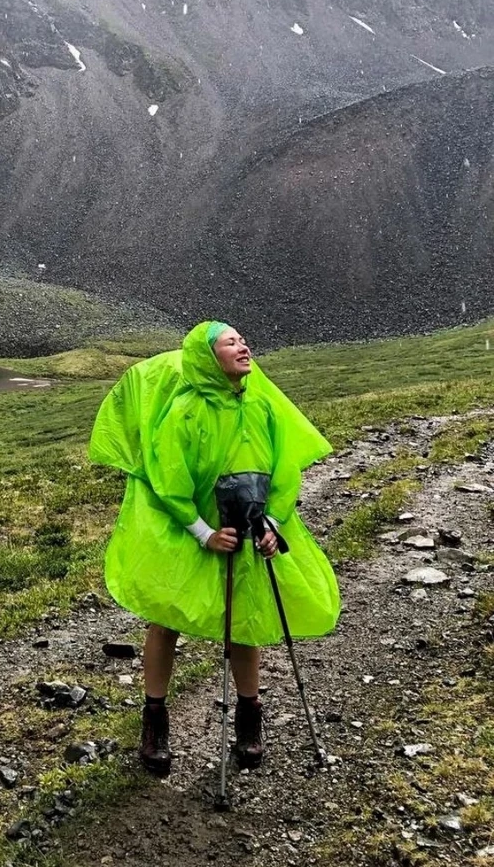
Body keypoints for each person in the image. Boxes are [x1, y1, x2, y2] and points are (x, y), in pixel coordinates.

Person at [89, 321, 340, 776]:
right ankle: (155, 723)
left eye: (244, 339)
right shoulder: (185, 409)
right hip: (190, 530)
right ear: (209, 357)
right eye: (231, 342)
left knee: (244, 619)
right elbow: (168, 478)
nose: (244, 345)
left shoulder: (262, 403)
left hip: (244, 529)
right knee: (166, 618)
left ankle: (249, 724)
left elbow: (283, 470)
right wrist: (203, 531)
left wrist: (272, 523)